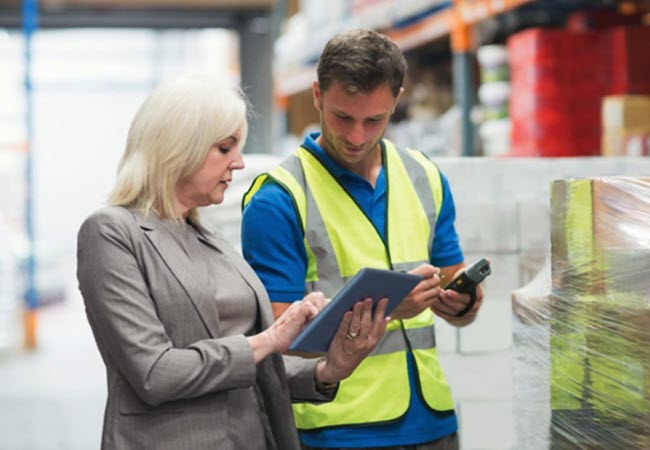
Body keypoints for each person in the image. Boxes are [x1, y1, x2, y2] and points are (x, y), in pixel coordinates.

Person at [76, 74, 390, 450]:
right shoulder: (111, 232)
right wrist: (271, 338)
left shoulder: (207, 238)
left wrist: (329, 369)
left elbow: (251, 372)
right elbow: (155, 373)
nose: (239, 163)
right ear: (179, 148)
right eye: (225, 148)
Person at [241, 29, 485, 450]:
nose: (357, 136)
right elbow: (278, 341)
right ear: (317, 95)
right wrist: (391, 309)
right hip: (338, 430)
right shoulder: (278, 199)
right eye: (343, 117)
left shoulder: (424, 176)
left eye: (374, 120)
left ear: (396, 100)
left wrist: (463, 302)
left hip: (433, 422)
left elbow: (453, 289)